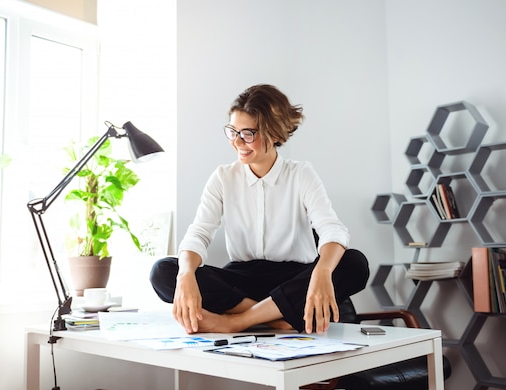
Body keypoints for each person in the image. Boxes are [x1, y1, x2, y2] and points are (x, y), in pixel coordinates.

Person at [149, 84, 369, 334]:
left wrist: (323, 270)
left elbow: (332, 229)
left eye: (248, 133)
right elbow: (199, 232)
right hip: (242, 282)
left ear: (275, 133)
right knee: (163, 271)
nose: (238, 142)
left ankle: (236, 321)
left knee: (355, 263)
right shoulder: (223, 177)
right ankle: (275, 317)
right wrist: (185, 274)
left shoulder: (301, 174)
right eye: (233, 132)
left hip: (294, 280)